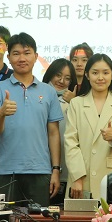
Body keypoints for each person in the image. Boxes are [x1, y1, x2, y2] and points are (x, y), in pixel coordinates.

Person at [0, 33, 63, 206]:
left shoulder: (48, 91)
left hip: (40, 170)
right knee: (5, 221)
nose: (22, 58)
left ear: (36, 56)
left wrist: (56, 170)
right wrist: (1, 113)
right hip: (6, 171)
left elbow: (53, 133)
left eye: (27, 53)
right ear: (8, 57)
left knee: (38, 221)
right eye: (16, 53)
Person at [65, 53, 112, 201]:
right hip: (82, 176)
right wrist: (77, 176)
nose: (100, 77)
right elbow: (70, 142)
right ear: (87, 75)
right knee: (80, 215)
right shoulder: (76, 103)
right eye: (95, 73)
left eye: (105, 73)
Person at [42, 58, 77, 203]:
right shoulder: (38, 96)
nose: (61, 81)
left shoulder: (75, 102)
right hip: (41, 165)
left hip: (65, 167)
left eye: (67, 78)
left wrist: (75, 103)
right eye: (58, 75)